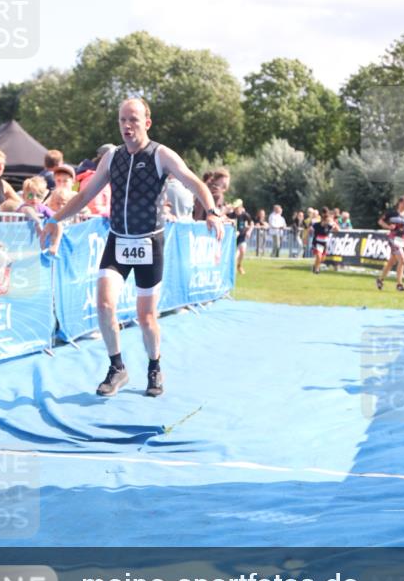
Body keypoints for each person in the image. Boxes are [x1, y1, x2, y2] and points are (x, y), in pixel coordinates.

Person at [41, 97, 224, 399]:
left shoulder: (161, 155)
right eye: (122, 120)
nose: (127, 126)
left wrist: (213, 211)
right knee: (104, 304)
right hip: (118, 240)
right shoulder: (112, 157)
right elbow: (85, 195)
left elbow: (195, 183)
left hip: (149, 242)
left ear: (147, 123)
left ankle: (154, 366)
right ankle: (117, 367)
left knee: (146, 318)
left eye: (133, 120)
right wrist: (55, 219)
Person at [376, 196, 404, 292]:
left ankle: (380, 280)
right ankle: (399, 284)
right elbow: (380, 221)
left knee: (392, 262)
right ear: (399, 203)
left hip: (402, 239)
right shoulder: (391, 212)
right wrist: (388, 226)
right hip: (393, 238)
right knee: (403, 261)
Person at [229, 199, 253, 274]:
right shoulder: (231, 215)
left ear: (241, 207)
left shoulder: (245, 215)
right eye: (235, 208)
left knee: (242, 250)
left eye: (237, 208)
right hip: (233, 237)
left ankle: (239, 265)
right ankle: (233, 268)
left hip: (242, 236)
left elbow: (251, 224)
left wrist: (249, 231)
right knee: (234, 254)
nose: (236, 210)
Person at [310, 208, 335, 275]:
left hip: (325, 243)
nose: (326, 221)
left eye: (327, 220)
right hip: (317, 242)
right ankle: (317, 269)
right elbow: (311, 228)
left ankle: (314, 266)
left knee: (322, 259)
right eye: (325, 220)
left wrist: (333, 222)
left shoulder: (329, 226)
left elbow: (337, 229)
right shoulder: (317, 224)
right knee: (319, 256)